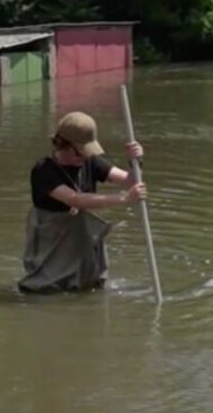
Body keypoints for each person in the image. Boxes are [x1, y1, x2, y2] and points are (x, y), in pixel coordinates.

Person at [19, 111, 146, 294]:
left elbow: (130, 180)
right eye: (80, 152)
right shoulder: (43, 170)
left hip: (82, 237)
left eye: (87, 153)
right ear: (62, 144)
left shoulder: (90, 162)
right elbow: (75, 199)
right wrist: (123, 198)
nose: (84, 157)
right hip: (54, 241)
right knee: (47, 288)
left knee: (91, 286)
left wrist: (136, 161)